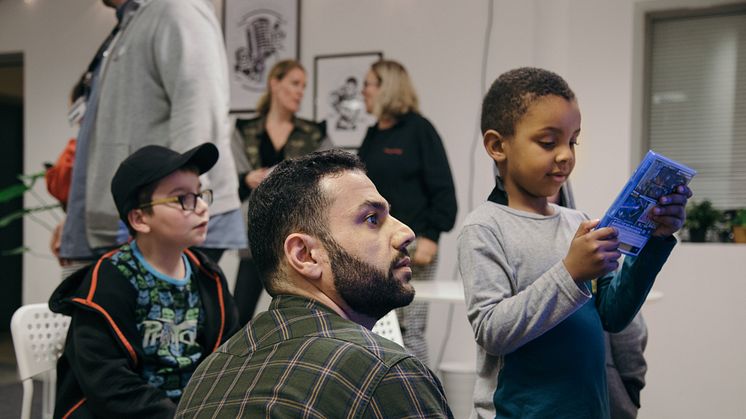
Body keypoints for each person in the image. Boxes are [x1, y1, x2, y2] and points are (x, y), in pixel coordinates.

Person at [458, 67, 691, 418]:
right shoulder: (485, 228)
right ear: (497, 146)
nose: (566, 155)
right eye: (548, 142)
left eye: (573, 141)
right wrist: (570, 273)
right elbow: (491, 330)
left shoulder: (578, 222)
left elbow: (613, 315)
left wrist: (655, 240)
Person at [176, 150, 453, 418]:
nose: (406, 233)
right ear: (305, 255)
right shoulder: (386, 374)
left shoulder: (208, 377)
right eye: (372, 219)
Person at [49, 143, 240, 418]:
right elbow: (109, 384)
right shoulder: (109, 280)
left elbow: (228, 359)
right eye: (182, 198)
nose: (201, 208)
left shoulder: (207, 275)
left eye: (199, 194)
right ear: (139, 218)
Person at [59, 0, 245, 277]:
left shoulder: (176, 8)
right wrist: (78, 219)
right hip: (138, 223)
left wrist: (186, 204)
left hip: (161, 228)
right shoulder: (130, 24)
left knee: (167, 319)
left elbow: (197, 109)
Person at [358, 59, 457, 365]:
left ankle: (421, 401)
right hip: (375, 245)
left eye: (368, 84)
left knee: (409, 328)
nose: (363, 91)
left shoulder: (419, 130)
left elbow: (443, 191)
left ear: (386, 87)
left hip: (414, 244)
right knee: (378, 327)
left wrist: (431, 236)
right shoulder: (373, 135)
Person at [231, 59, 331, 324]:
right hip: (256, 232)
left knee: (302, 314)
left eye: (304, 87)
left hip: (299, 233)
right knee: (238, 315)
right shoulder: (245, 130)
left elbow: (331, 176)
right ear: (275, 83)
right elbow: (229, 180)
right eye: (295, 84)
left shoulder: (313, 133)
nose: (300, 92)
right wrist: (246, 178)